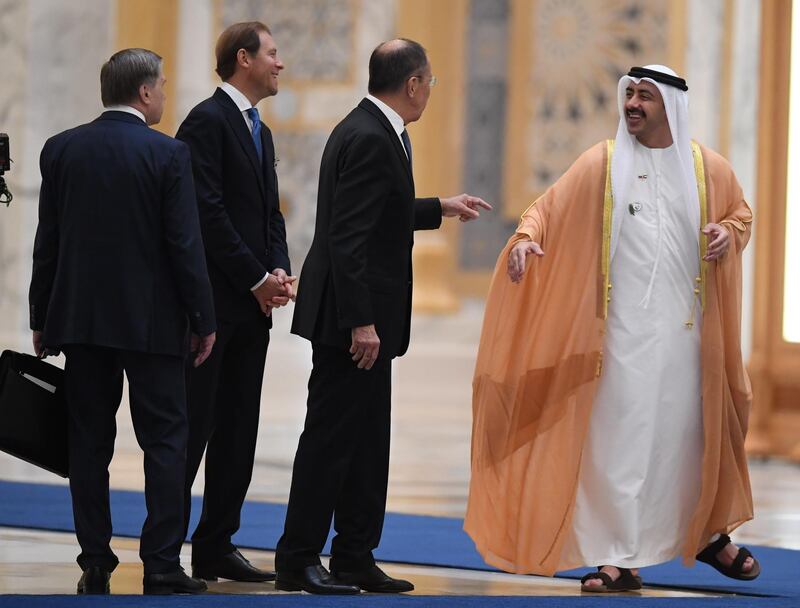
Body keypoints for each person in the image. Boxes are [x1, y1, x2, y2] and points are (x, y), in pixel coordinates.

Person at [465, 65, 759, 592]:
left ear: (671, 106)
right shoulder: (603, 163)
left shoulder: (707, 169)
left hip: (688, 337)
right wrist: (526, 240)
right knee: (621, 442)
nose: (634, 105)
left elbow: (741, 216)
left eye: (646, 97)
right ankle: (616, 558)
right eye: (630, 95)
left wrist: (726, 235)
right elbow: (545, 209)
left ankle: (706, 536)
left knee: (685, 441)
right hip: (621, 337)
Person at [274, 38, 492, 595]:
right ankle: (298, 558)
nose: (429, 93)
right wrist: (361, 323)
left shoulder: (374, 128)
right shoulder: (372, 137)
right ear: (413, 83)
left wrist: (439, 207)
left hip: (362, 319)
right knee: (330, 439)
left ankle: (354, 555)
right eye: (429, 82)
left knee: (367, 441)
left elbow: (379, 214)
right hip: (353, 324)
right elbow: (348, 240)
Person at [29, 48, 216, 595]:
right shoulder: (168, 155)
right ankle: (160, 563)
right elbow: (185, 245)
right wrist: (203, 318)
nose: (163, 92)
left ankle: (94, 558)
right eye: (160, 84)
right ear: (144, 93)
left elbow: (49, 244)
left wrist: (42, 314)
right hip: (152, 327)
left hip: (82, 323)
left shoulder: (61, 149)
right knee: (165, 441)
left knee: (87, 442)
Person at [174, 21, 293, 583]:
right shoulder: (206, 120)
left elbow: (270, 212)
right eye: (272, 54)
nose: (280, 64)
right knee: (193, 429)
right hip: (213, 310)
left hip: (252, 309)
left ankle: (217, 543)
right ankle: (164, 550)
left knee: (239, 432)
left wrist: (278, 270)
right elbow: (206, 213)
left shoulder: (259, 130)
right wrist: (253, 277)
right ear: (243, 59)